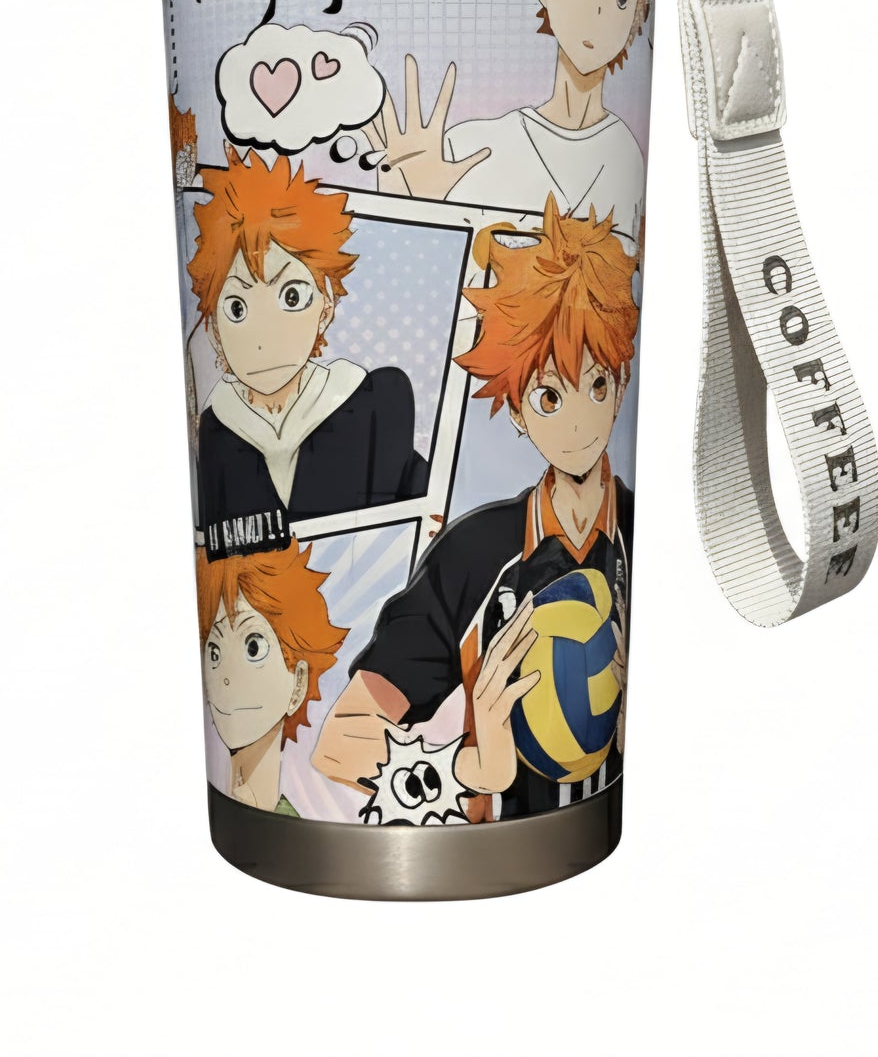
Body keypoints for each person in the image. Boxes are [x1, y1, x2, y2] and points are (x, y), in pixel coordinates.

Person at [312, 198, 637, 821]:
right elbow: (340, 745)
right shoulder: (475, 554)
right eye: (548, 396)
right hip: (484, 843)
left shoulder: (636, 525)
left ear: (621, 385)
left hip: (605, 828)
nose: (578, 421)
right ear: (516, 409)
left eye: (597, 384)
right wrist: (471, 768)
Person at [362, 0, 654, 245]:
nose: (600, 8)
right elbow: (410, 271)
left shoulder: (626, 154)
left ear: (640, 9)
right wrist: (408, 203)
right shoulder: (472, 149)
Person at [188, 146, 428, 557]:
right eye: (237, 308)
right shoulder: (213, 435)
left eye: (292, 296)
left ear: (326, 306)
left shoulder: (375, 406)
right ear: (212, 329)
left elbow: (425, 520)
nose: (264, 337)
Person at [197, 542, 348, 816]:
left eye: (253, 647)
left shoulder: (295, 823)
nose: (227, 677)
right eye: (215, 652)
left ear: (299, 683)